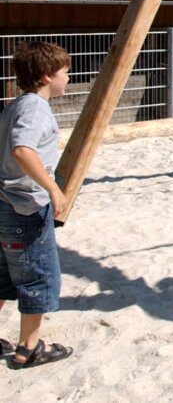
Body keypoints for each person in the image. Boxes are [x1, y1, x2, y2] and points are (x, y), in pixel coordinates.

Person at [0, 41, 74, 369]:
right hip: (25, 208)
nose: (68, 79)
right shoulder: (34, 110)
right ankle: (28, 349)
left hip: (5, 203)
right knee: (38, 276)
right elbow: (22, 150)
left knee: (4, 275)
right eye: (65, 73)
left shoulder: (14, 106)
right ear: (46, 77)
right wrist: (53, 191)